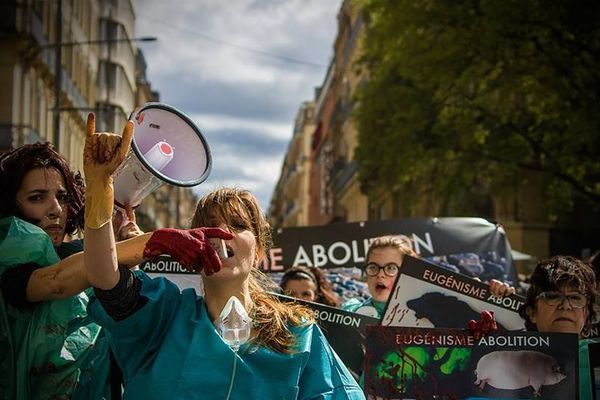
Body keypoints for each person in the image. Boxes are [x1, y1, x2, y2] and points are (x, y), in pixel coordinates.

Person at [0, 115, 224, 399]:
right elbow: (57, 280)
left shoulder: (74, 252)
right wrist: (152, 242)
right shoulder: (8, 258)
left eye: (63, 197)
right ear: (10, 202)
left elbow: (95, 263)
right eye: (36, 197)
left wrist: (122, 238)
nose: (56, 209)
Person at [85, 182, 365, 398]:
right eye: (210, 226)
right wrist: (99, 187)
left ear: (259, 252)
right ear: (190, 246)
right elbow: (104, 275)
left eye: (239, 225)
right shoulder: (161, 314)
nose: (222, 232)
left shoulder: (298, 334)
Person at [518, 255, 598, 399]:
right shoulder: (513, 357)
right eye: (553, 296)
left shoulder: (597, 357)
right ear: (532, 312)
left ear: (586, 314)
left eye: (575, 298)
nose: (566, 305)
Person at [342, 235, 417, 318]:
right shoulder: (349, 313)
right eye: (373, 267)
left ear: (407, 274)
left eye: (391, 268)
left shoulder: (426, 319)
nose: (380, 274)